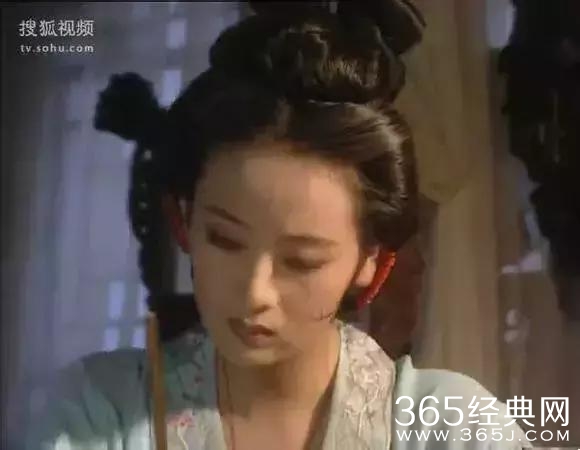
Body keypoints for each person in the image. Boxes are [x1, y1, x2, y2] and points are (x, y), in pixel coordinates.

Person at [27, 1, 532, 449]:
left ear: (370, 261)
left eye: (301, 261)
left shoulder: (454, 427)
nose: (255, 293)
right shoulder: (103, 410)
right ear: (185, 219)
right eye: (224, 239)